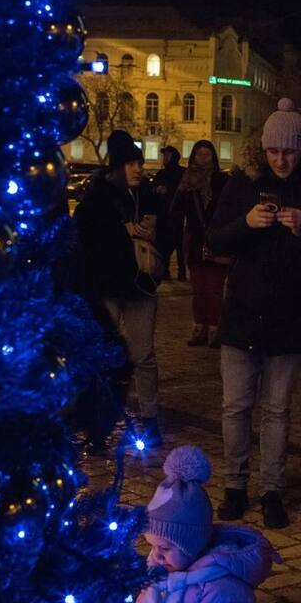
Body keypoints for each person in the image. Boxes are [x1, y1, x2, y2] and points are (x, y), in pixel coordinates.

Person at [206, 98, 301, 529]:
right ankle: (234, 486)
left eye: (289, 151)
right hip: (242, 311)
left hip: (288, 315)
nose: (281, 160)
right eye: (273, 151)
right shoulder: (241, 185)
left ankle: (271, 490)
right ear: (261, 150)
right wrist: (246, 223)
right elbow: (216, 240)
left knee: (277, 410)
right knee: (235, 407)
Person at [120, 446, 277, 603]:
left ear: (191, 545)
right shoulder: (159, 576)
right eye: (152, 545)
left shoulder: (220, 590)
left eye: (166, 547)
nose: (157, 555)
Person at [73, 130, 163, 447]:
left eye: (139, 162)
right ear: (115, 166)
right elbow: (84, 243)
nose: (138, 168)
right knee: (104, 356)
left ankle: (151, 418)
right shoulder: (96, 200)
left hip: (141, 287)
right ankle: (98, 423)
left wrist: (152, 236)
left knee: (143, 355)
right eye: (130, 163)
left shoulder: (148, 195)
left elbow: (167, 235)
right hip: (107, 287)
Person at [171, 141, 230, 348]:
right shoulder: (188, 181)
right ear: (193, 157)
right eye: (199, 155)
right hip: (196, 241)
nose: (203, 159)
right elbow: (175, 209)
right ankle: (199, 327)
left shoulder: (222, 180)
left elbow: (229, 209)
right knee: (199, 289)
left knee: (214, 288)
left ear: (213, 157)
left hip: (217, 240)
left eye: (207, 155)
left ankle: (215, 328)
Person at [152, 145, 187, 281]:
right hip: (164, 215)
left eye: (167, 155)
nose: (164, 158)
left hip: (177, 215)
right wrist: (156, 190)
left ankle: (181, 270)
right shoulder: (161, 174)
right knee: (165, 245)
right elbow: (153, 190)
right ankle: (166, 270)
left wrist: (168, 191)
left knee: (179, 245)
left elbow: (184, 192)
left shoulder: (182, 173)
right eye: (164, 155)